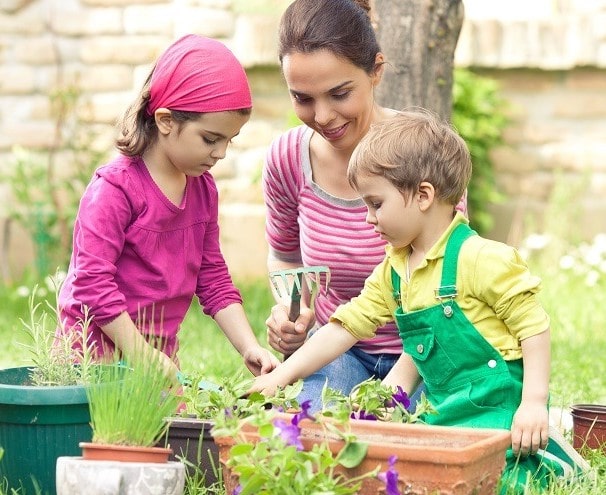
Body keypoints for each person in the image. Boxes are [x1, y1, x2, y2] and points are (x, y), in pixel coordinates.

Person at [252, 109, 588, 492]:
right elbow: (346, 329)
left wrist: (533, 403)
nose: (367, 219)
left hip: (500, 409)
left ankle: (553, 458)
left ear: (424, 195)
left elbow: (534, 328)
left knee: (498, 483)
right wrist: (281, 377)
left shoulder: (480, 258)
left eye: (375, 204)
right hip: (445, 409)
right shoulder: (394, 269)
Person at [263, 0, 466, 412]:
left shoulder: (425, 153)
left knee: (408, 441)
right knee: (313, 433)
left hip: (424, 352)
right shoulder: (288, 158)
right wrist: (295, 313)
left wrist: (397, 387)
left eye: (339, 94)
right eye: (302, 98)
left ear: (376, 70)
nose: (322, 116)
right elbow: (286, 256)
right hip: (337, 349)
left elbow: (452, 285)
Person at [57, 34, 279, 380]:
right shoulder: (114, 189)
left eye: (229, 141)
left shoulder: (202, 189)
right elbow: (91, 283)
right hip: (91, 360)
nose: (220, 153)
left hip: (155, 360)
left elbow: (212, 275)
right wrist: (141, 355)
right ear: (165, 121)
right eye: (210, 139)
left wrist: (249, 346)